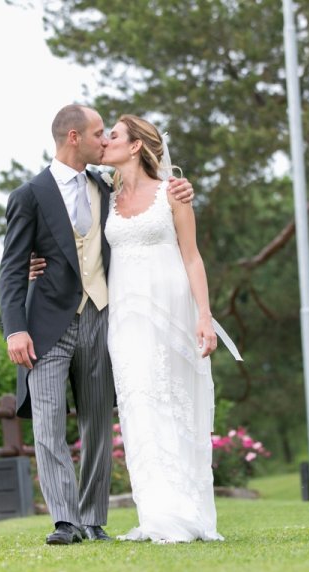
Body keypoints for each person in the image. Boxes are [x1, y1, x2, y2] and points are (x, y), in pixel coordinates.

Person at [0, 104, 194, 546]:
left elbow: (148, 199)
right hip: (45, 326)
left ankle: (92, 517)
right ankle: (65, 521)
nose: (104, 141)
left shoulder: (106, 186)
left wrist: (178, 187)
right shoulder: (29, 195)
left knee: (97, 424)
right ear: (73, 137)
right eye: (98, 133)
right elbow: (11, 268)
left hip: (102, 318)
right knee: (47, 424)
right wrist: (15, 329)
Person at [101, 114, 223, 543]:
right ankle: (156, 514)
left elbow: (192, 257)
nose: (104, 140)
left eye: (112, 135)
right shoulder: (104, 197)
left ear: (135, 146)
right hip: (125, 317)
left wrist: (204, 316)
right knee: (138, 406)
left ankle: (187, 511)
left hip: (171, 310)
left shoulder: (173, 192)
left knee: (174, 403)